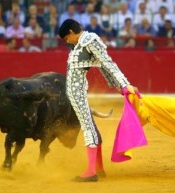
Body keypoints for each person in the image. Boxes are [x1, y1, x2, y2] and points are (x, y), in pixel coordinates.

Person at [58, 19, 136, 182]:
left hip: (78, 93)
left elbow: (108, 64)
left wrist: (124, 84)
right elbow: (102, 66)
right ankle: (98, 168)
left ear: (71, 32)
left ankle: (91, 171)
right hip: (76, 93)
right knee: (90, 125)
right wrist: (118, 86)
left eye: (66, 38)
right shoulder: (78, 43)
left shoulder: (89, 40)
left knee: (87, 128)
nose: (67, 42)